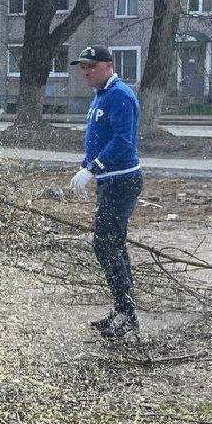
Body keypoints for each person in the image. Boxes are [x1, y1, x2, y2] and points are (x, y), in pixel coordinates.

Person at [69, 45, 143, 339]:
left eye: (91, 66)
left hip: (122, 181)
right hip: (108, 182)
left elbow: (124, 142)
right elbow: (100, 137)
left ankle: (127, 313)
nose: (86, 72)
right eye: (83, 67)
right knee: (110, 246)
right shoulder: (101, 95)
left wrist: (93, 168)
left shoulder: (120, 95)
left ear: (108, 65)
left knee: (106, 245)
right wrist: (85, 166)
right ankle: (124, 308)